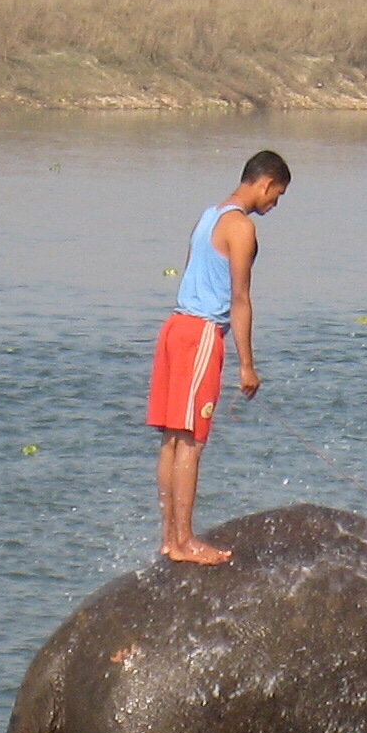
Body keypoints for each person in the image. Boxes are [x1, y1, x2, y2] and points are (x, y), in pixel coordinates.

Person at [147, 150, 290, 564]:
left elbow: (193, 269)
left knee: (172, 439)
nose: (274, 204)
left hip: (174, 328)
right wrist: (247, 364)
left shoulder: (207, 216)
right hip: (201, 335)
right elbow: (240, 299)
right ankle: (185, 541)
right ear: (265, 183)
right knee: (191, 442)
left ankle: (170, 537)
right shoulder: (240, 227)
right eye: (276, 195)